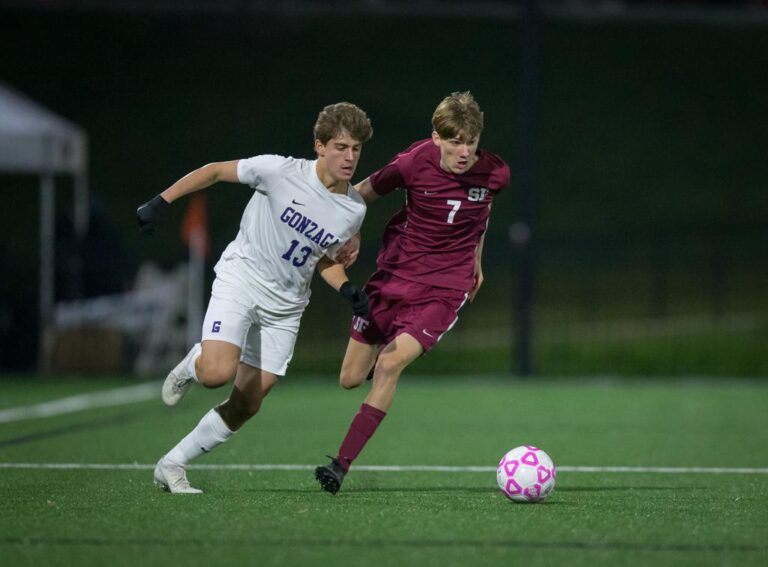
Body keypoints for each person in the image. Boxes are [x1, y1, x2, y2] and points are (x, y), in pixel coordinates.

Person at [136, 102, 373, 494]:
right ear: (319, 145)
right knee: (215, 374)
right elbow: (214, 171)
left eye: (356, 149)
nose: (349, 157)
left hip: (286, 308)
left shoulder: (353, 209)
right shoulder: (278, 171)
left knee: (246, 405)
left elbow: (321, 260)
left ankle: (172, 463)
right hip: (242, 280)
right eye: (341, 147)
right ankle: (195, 362)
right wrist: (162, 201)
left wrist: (346, 288)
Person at [314, 92, 510, 494]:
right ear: (436, 137)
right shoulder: (412, 161)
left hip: (444, 289)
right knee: (350, 378)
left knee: (388, 365)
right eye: (454, 141)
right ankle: (384, 364)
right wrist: (351, 231)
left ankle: (340, 465)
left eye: (470, 141)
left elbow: (483, 210)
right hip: (394, 276)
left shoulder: (495, 172)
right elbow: (365, 190)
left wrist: (476, 257)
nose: (463, 150)